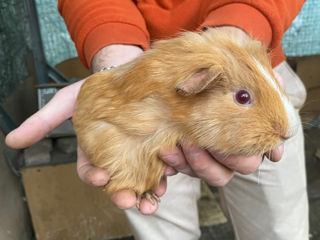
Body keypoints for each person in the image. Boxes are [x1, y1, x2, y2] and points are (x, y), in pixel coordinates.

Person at [6, 1, 309, 239]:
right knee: (159, 222)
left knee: (279, 225)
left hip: (253, 56)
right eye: (242, 100)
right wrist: (115, 57)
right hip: (142, 66)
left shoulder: (259, 98)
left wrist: (241, 30)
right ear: (196, 85)